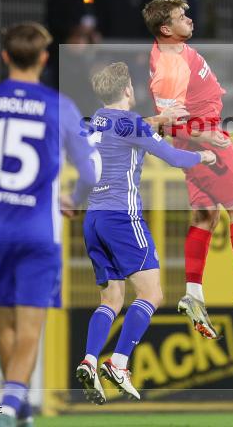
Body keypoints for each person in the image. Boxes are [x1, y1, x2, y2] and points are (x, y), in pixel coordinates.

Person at [0, 22, 101, 427]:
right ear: (44, 59)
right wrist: (77, 199)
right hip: (39, 231)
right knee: (32, 328)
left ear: (4, 57)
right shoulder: (60, 106)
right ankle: (7, 412)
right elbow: (88, 170)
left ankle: (21, 412)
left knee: (7, 329)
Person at [73, 62, 216, 404]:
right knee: (152, 295)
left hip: (93, 219)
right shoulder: (132, 123)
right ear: (127, 91)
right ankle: (119, 363)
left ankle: (89, 360)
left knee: (111, 299)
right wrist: (205, 156)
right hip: (123, 216)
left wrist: (157, 122)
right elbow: (173, 158)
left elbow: (125, 133)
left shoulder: (92, 122)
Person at [144, 0, 233, 339]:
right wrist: (207, 139)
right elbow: (166, 123)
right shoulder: (168, 69)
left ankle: (193, 294)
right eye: (180, 17)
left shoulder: (175, 53)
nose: (188, 20)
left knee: (206, 216)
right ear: (165, 28)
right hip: (206, 144)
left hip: (204, 137)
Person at [42, 0, 99, 88]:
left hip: (82, 53)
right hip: (59, 52)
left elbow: (90, 12)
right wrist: (72, 33)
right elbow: (54, 21)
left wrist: (91, 33)